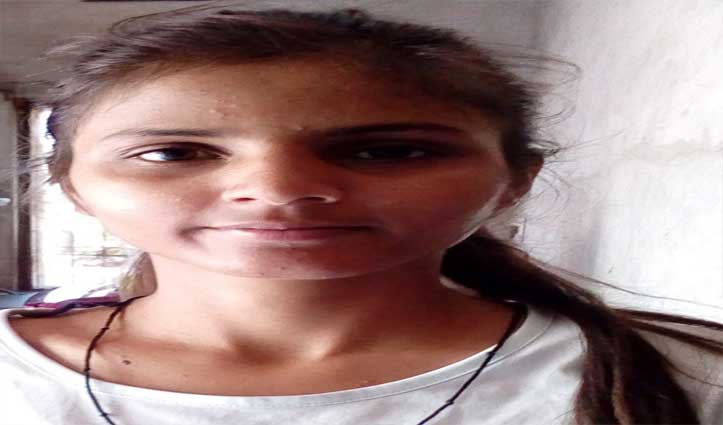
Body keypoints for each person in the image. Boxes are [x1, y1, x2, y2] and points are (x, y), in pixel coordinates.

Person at [1, 3, 721, 425]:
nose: (279, 190)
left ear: (514, 179)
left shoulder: (680, 379)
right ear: (73, 186)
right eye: (173, 153)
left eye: (388, 151)